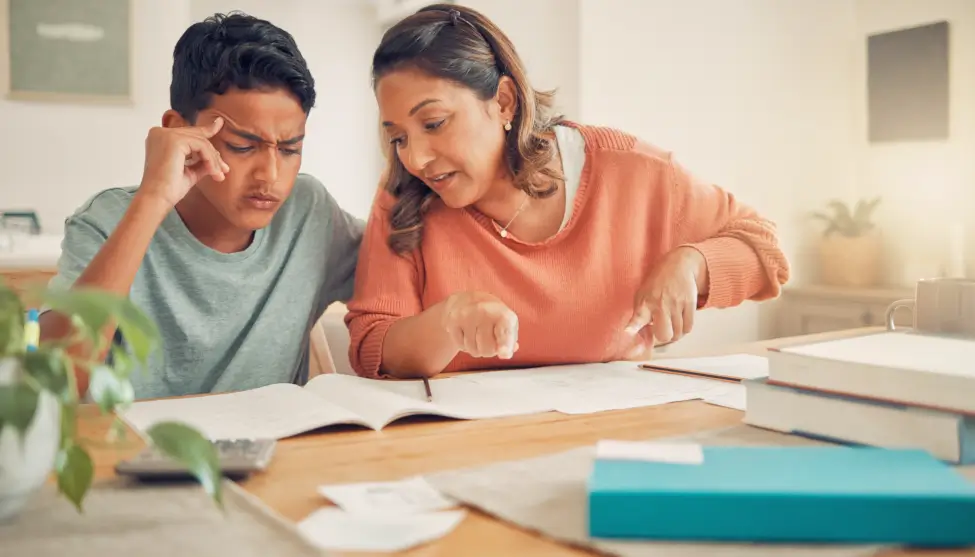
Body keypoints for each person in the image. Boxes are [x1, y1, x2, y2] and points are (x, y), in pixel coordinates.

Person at [345, 3, 790, 380]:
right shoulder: (403, 197)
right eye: (398, 137)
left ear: (503, 101)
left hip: (611, 433)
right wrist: (446, 324)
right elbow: (372, 346)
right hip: (465, 441)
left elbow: (766, 252)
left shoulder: (631, 171)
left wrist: (693, 265)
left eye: (434, 123)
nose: (416, 158)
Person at [42, 12, 364, 399]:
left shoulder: (309, 212)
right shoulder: (105, 221)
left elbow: (406, 265)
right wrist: (153, 199)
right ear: (178, 130)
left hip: (270, 438)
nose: (270, 175)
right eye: (242, 146)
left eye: (290, 148)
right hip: (134, 439)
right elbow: (57, 383)